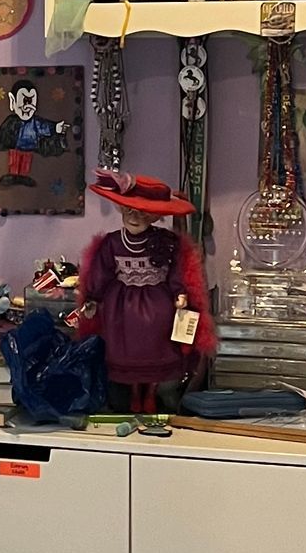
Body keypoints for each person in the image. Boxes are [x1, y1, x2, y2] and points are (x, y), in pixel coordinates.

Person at [76, 169, 215, 412]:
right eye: (129, 210)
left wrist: (180, 292)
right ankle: (131, 395)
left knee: (158, 349)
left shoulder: (167, 242)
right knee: (121, 353)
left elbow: (178, 270)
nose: (135, 217)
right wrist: (93, 298)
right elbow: (101, 273)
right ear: (120, 209)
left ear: (154, 216)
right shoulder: (111, 243)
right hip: (121, 312)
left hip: (157, 308)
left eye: (143, 212)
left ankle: (151, 391)